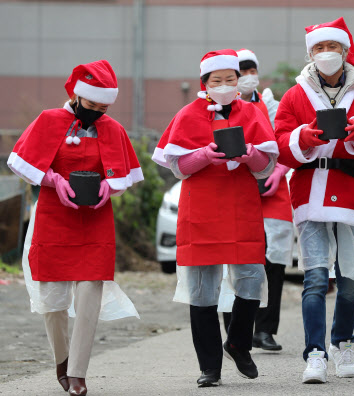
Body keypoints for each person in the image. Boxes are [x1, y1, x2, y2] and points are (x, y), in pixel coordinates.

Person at [7, 60, 144, 396]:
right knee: (52, 299)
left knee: (90, 291)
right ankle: (62, 361)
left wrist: (108, 189)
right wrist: (53, 179)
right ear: (78, 95)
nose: (97, 112)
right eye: (92, 105)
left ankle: (78, 373)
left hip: (96, 220)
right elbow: (22, 163)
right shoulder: (49, 120)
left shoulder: (112, 128)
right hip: (54, 215)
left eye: (104, 106)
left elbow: (122, 174)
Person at [152, 49, 278, 387]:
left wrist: (250, 153)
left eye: (230, 80)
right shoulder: (187, 114)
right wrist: (206, 154)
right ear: (204, 83)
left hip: (241, 204)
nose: (224, 85)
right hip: (201, 207)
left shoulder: (252, 111)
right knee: (202, 290)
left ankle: (238, 341)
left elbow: (266, 166)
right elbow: (177, 167)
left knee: (251, 275)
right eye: (216, 80)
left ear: (239, 82)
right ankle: (210, 366)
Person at [275, 17, 354, 383]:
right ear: (310, 53)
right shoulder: (295, 96)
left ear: (345, 51)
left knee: (352, 279)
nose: (326, 55)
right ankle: (315, 353)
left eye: (333, 48)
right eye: (319, 49)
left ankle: (343, 343)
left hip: (353, 192)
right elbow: (280, 144)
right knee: (314, 278)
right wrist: (303, 138)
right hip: (310, 192)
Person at [234, 48, 294, 351]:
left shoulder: (272, 105)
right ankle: (238, 330)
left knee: (275, 261)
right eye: (240, 71)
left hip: (273, 189)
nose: (246, 77)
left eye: (250, 70)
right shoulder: (221, 107)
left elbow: (286, 140)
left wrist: (279, 169)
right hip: (237, 188)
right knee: (240, 257)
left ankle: (266, 329)